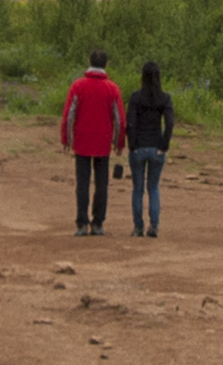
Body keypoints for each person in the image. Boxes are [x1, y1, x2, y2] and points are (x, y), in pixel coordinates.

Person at [60, 50, 126, 236]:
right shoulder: (112, 88)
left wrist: (66, 138)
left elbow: (68, 115)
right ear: (106, 64)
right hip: (103, 143)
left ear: (89, 62)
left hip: (82, 141)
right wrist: (118, 142)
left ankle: (81, 223)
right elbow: (120, 119)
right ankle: (97, 223)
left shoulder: (78, 86)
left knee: (82, 183)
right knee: (102, 184)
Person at [126, 61, 174, 238]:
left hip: (139, 147)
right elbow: (169, 123)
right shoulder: (164, 98)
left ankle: (138, 227)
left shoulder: (136, 97)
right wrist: (164, 145)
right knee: (153, 188)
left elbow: (131, 123)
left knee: (137, 188)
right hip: (156, 148)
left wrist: (132, 145)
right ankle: (154, 226)